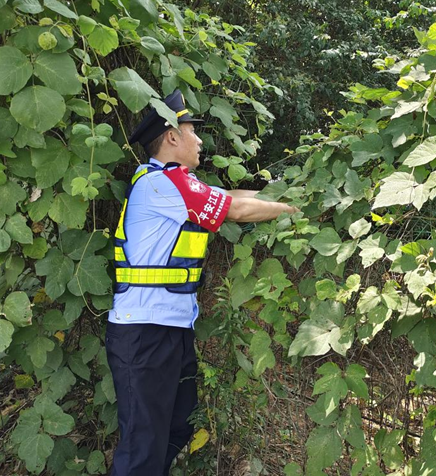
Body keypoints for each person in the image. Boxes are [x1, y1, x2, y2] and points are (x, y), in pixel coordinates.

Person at [106, 89, 297, 476]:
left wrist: (288, 194)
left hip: (170, 328)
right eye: (193, 132)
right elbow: (237, 209)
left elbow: (230, 195)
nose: (199, 141)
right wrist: (291, 210)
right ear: (172, 137)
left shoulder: (179, 185)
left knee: (176, 428)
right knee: (142, 447)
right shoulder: (162, 184)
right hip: (144, 332)